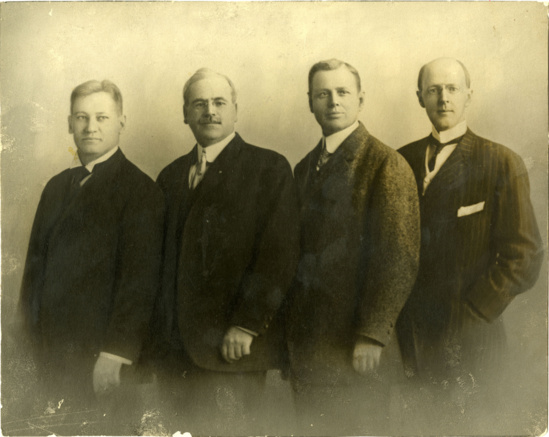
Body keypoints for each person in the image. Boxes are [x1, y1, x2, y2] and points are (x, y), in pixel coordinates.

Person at [396, 57, 543, 424]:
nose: (443, 98)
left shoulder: (501, 161)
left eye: (452, 89)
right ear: (420, 97)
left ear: (468, 95)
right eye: (433, 90)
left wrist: (476, 312)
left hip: (473, 341)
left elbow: (525, 255)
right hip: (411, 339)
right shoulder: (400, 161)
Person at [153, 68, 299, 435]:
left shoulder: (268, 168)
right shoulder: (170, 176)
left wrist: (247, 324)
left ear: (235, 110)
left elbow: (279, 254)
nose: (210, 111)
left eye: (219, 102)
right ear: (185, 113)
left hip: (231, 347)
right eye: (199, 104)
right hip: (174, 352)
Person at [18, 80, 164, 434]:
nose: (90, 127)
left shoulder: (140, 189)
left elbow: (140, 282)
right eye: (81, 117)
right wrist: (24, 345)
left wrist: (116, 353)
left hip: (101, 358)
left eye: (102, 117)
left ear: (121, 122)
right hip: (49, 352)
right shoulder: (56, 186)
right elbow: (33, 274)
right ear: (69, 123)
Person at [285, 59, 420, 435]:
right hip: (310, 352)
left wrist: (372, 334)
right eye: (323, 94)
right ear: (310, 102)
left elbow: (399, 257)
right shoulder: (303, 167)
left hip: (358, 350)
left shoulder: (385, 163)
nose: (333, 102)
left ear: (360, 99)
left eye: (343, 92)